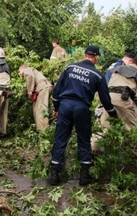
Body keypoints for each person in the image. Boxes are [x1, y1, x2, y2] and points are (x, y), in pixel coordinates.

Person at [48, 45, 117, 186]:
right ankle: (84, 177)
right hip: (82, 109)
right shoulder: (98, 75)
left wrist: (57, 107)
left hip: (65, 106)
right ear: (96, 57)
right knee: (84, 140)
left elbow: (56, 92)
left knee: (60, 139)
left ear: (84, 55)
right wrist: (113, 113)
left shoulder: (70, 68)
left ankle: (54, 175)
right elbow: (105, 99)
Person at [91, 55, 137, 153]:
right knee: (130, 128)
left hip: (108, 99)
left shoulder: (117, 69)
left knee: (103, 126)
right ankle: (134, 153)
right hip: (123, 101)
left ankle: (95, 150)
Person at [18, 64, 52, 132]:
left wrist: (30, 91)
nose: (19, 73)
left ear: (22, 69)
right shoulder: (33, 70)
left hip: (42, 87)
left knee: (39, 109)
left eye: (19, 71)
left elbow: (30, 76)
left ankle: (43, 130)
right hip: (45, 86)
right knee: (40, 108)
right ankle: (44, 128)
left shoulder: (27, 69)